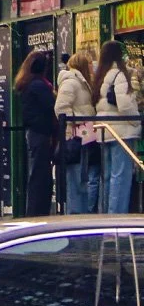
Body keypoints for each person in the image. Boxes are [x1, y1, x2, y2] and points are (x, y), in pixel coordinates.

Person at [93, 40, 141, 214]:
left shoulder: (100, 76)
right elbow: (125, 105)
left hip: (105, 131)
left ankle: (105, 217)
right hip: (122, 132)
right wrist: (136, 121)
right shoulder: (120, 75)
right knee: (120, 177)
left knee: (106, 177)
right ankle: (117, 218)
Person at [55, 51, 99, 214]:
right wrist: (77, 121)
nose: (91, 67)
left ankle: (81, 213)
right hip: (75, 135)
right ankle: (75, 214)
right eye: (89, 63)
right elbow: (60, 107)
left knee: (84, 177)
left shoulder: (82, 82)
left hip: (85, 135)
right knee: (76, 178)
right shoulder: (72, 82)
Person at [15, 51, 57, 216]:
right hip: (40, 133)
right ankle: (37, 212)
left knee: (37, 173)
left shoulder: (28, 83)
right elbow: (51, 105)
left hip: (34, 133)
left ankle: (34, 211)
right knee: (40, 175)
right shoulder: (39, 85)